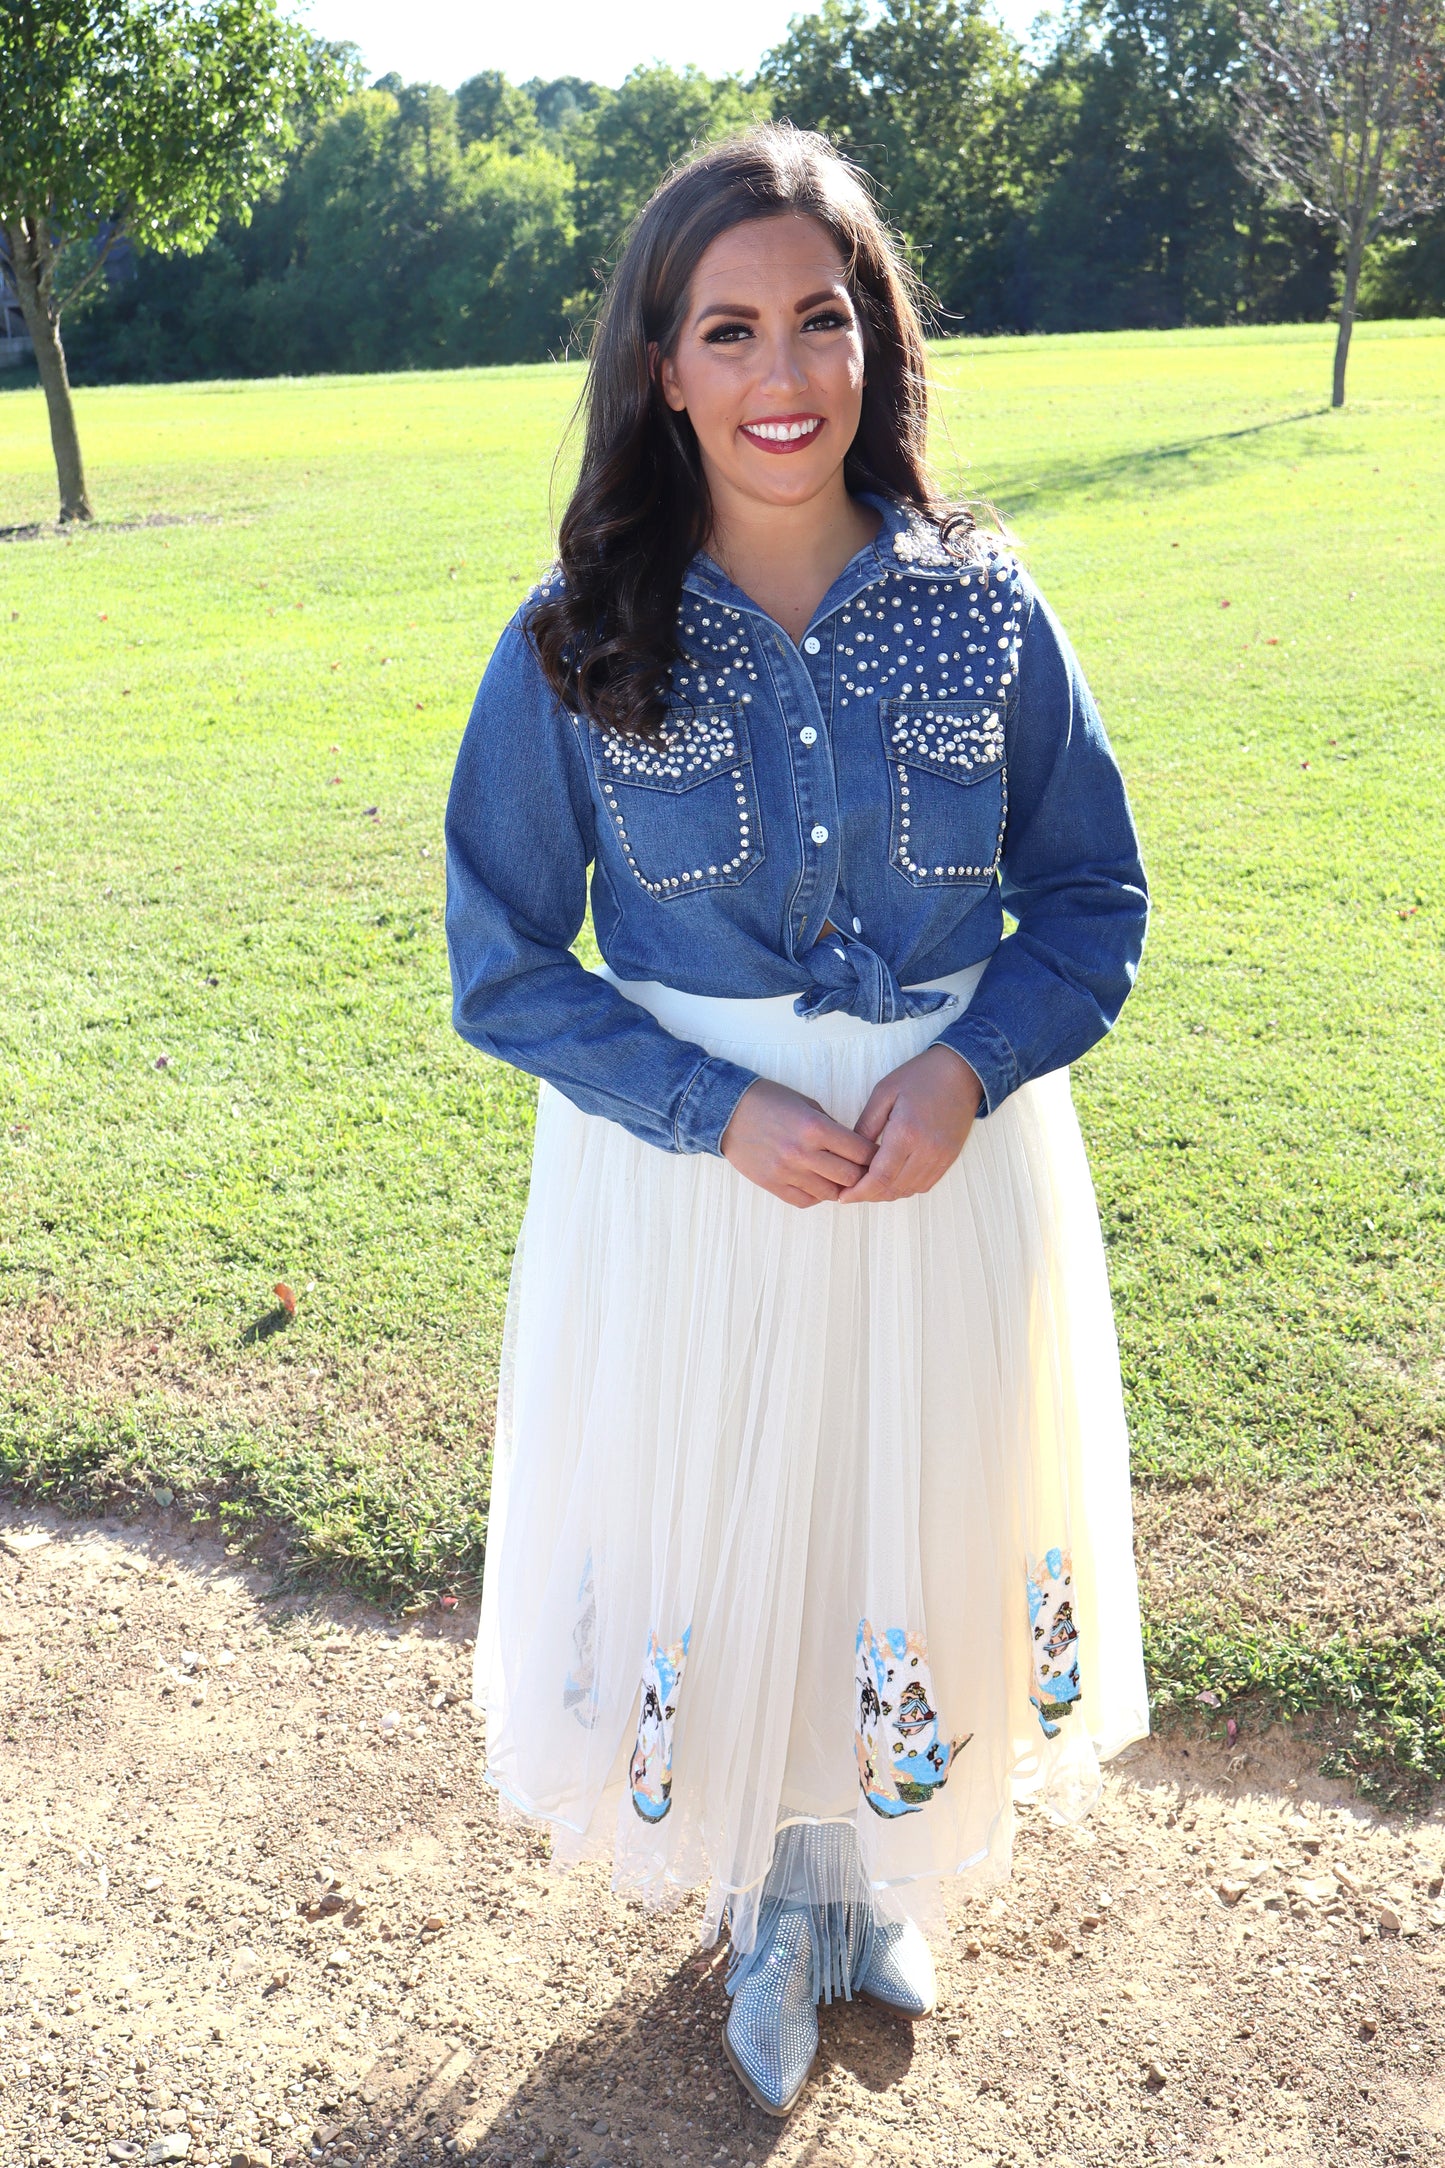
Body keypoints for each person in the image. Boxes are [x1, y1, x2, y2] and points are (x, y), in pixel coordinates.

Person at [445, 123, 1150, 2119]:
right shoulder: (578, 637)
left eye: (820, 321)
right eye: (729, 328)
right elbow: (500, 958)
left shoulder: (989, 609)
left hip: (946, 1159)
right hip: (700, 1181)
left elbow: (1092, 898)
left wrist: (967, 1059)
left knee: (895, 1502)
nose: (782, 375)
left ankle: (864, 1872)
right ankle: (764, 1890)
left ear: (875, 342)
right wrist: (706, 1102)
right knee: (727, 1518)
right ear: (660, 365)